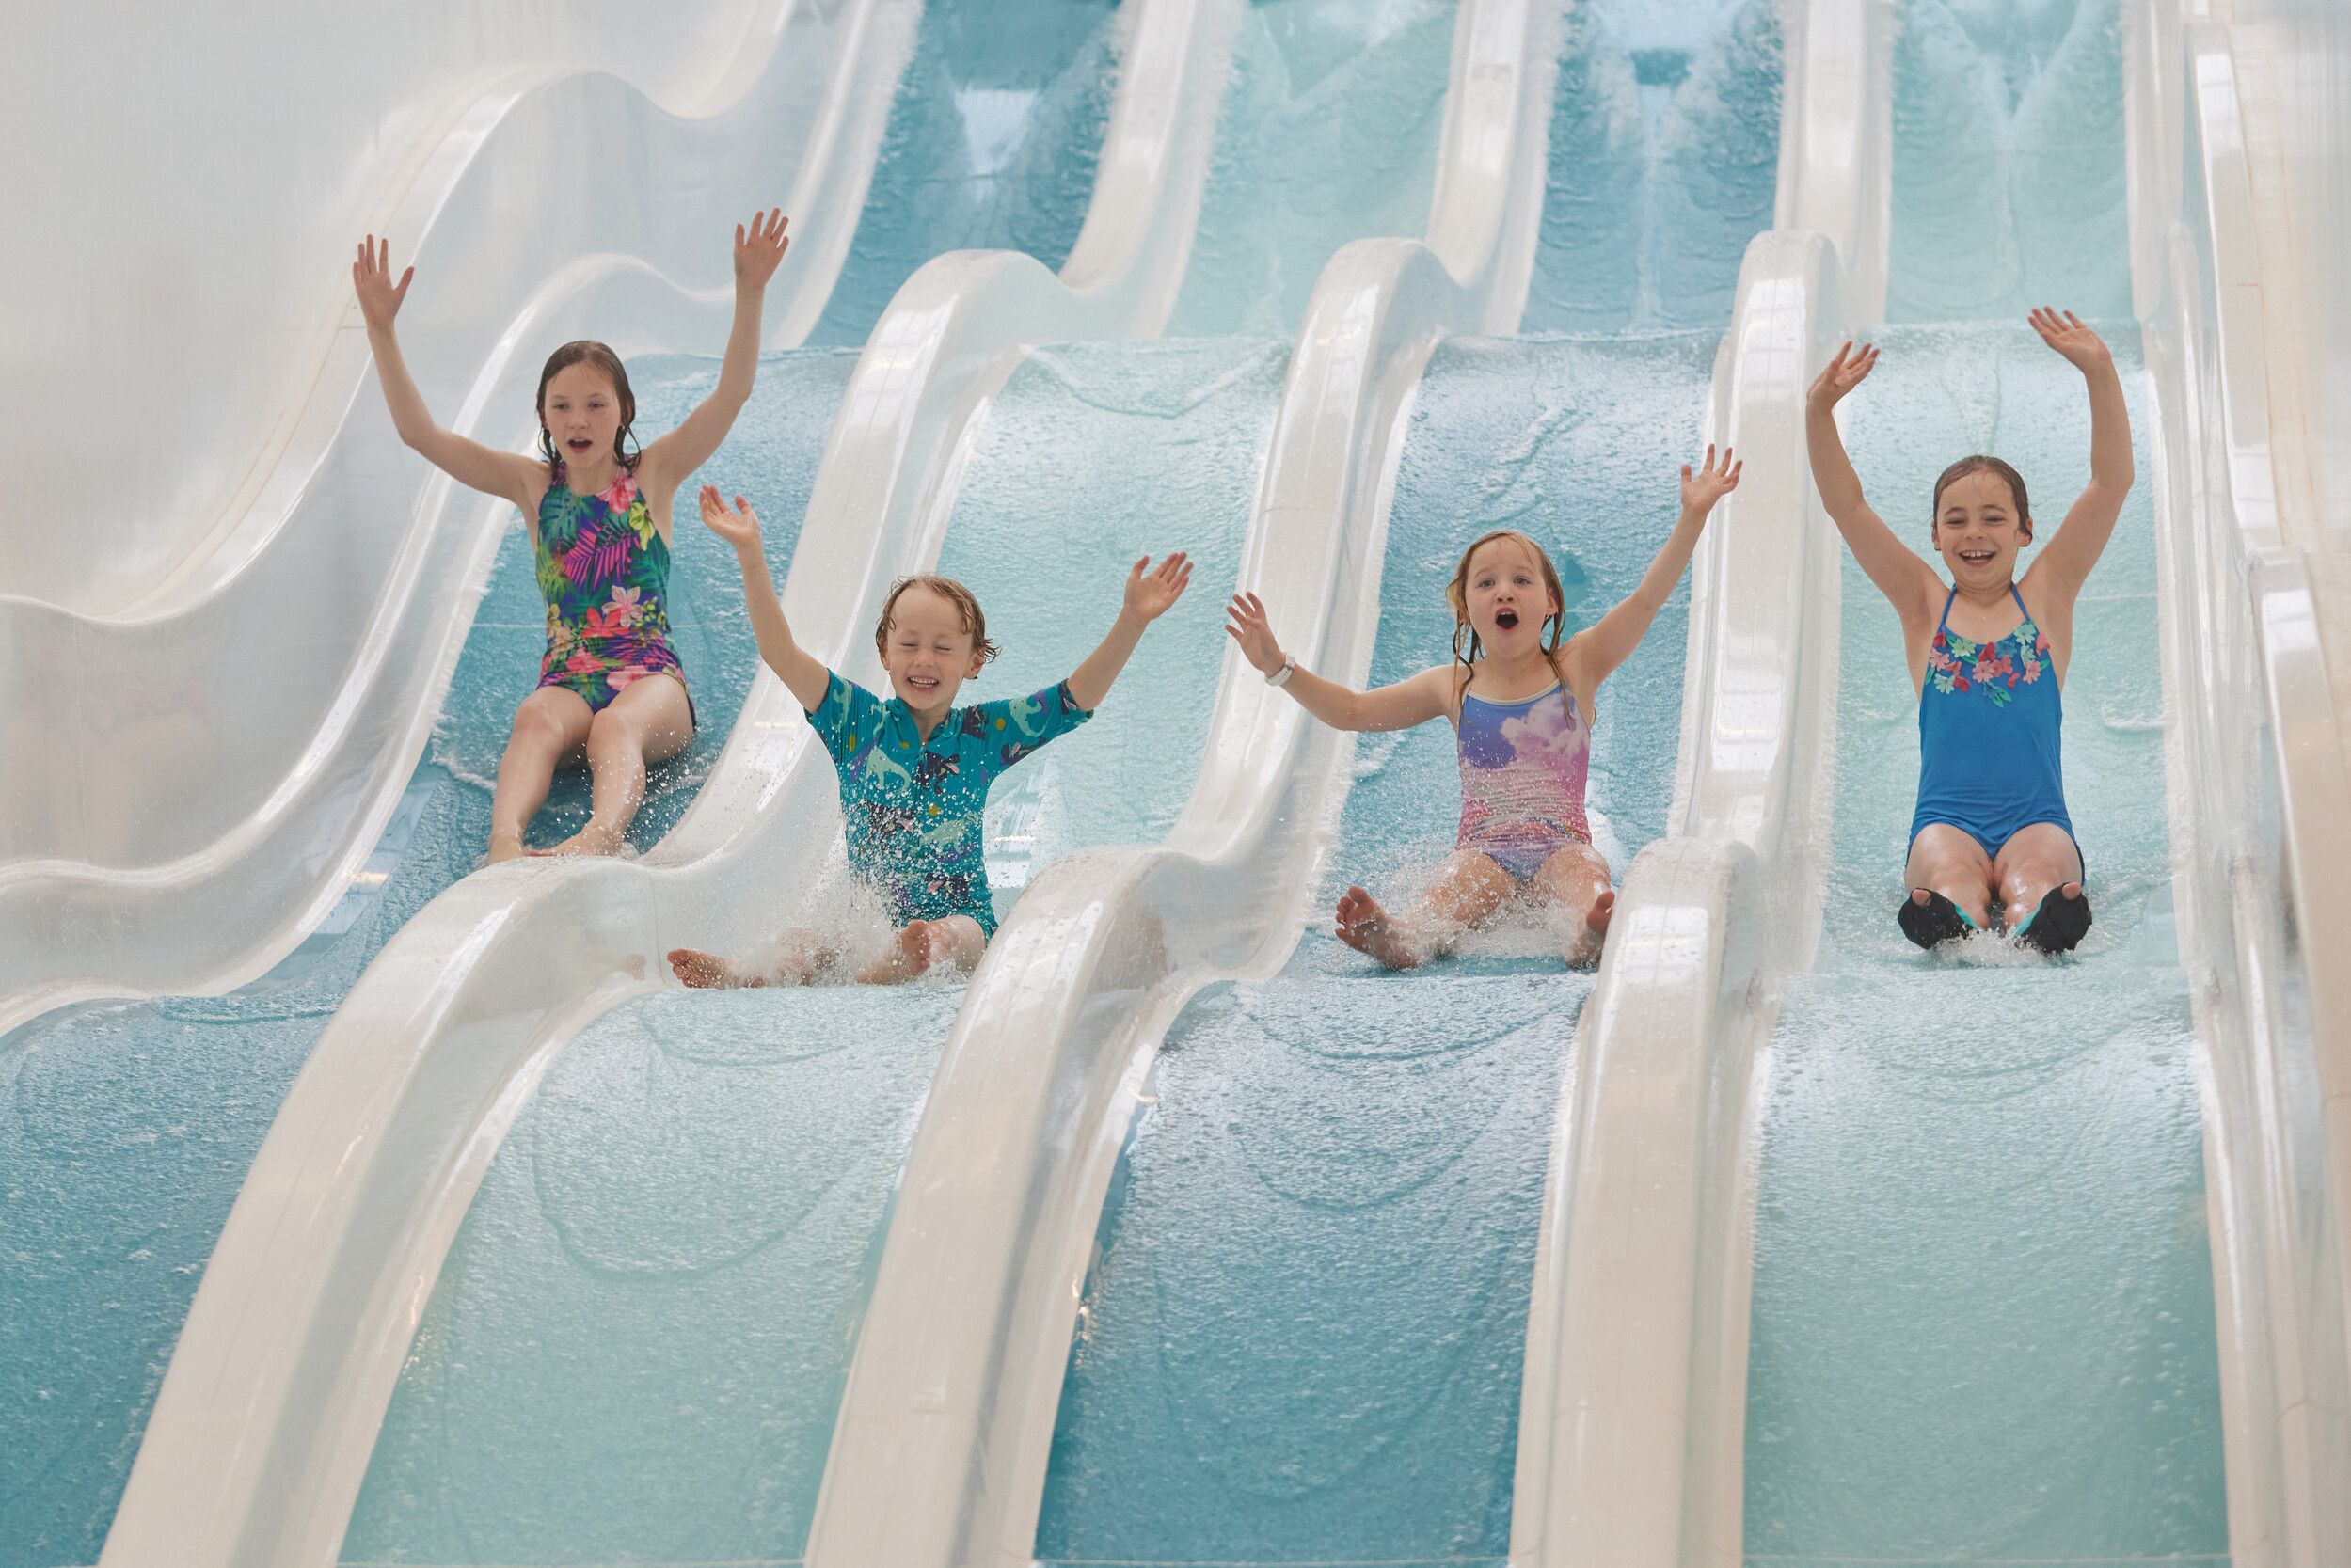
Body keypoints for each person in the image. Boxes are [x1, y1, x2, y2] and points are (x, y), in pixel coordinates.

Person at [350, 209, 792, 861]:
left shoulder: (654, 474)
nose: (578, 420)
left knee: (616, 727)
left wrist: (749, 294)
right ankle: (505, 845)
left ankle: (602, 835)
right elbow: (421, 435)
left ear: (623, 411)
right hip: (568, 679)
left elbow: (732, 394)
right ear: (544, 417)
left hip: (651, 682)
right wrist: (381, 331)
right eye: (561, 406)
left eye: (595, 404)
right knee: (533, 717)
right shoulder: (533, 487)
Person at [1224, 445, 1743, 970]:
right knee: (1453, 887)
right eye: (1486, 582)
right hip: (1484, 851)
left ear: (1551, 602)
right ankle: (1403, 937)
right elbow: (1354, 711)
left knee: (1586, 876)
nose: (1504, 592)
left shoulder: (1579, 664)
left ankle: (1588, 934)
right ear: (1465, 608)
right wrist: (1279, 666)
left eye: (1522, 580)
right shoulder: (1454, 686)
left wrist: (1693, 517)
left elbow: (1646, 601)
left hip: (1561, 844)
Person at [667, 488, 1193, 985]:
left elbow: (1073, 700)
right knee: (807, 943)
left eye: (943, 648)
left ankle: (908, 957)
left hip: (964, 919)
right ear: (884, 652)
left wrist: (1132, 620)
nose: (924, 659)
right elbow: (780, 653)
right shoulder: (855, 721)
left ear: (973, 662)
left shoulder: (984, 735)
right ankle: (746, 973)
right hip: (871, 925)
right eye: (909, 644)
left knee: (954, 936)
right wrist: (750, 554)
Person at [1804, 308, 2133, 953]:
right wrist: (1818, 413)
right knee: (1950, 877)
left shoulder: (2047, 595)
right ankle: (1953, 915)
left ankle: (2039, 915)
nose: (1973, 533)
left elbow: (2110, 482)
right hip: (1944, 821)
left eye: (1992, 517)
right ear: (1934, 535)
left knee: (2035, 875)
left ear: (2024, 531)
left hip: (2037, 820)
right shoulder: (1923, 606)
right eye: (1955, 520)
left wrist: (2099, 371)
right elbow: (1846, 505)